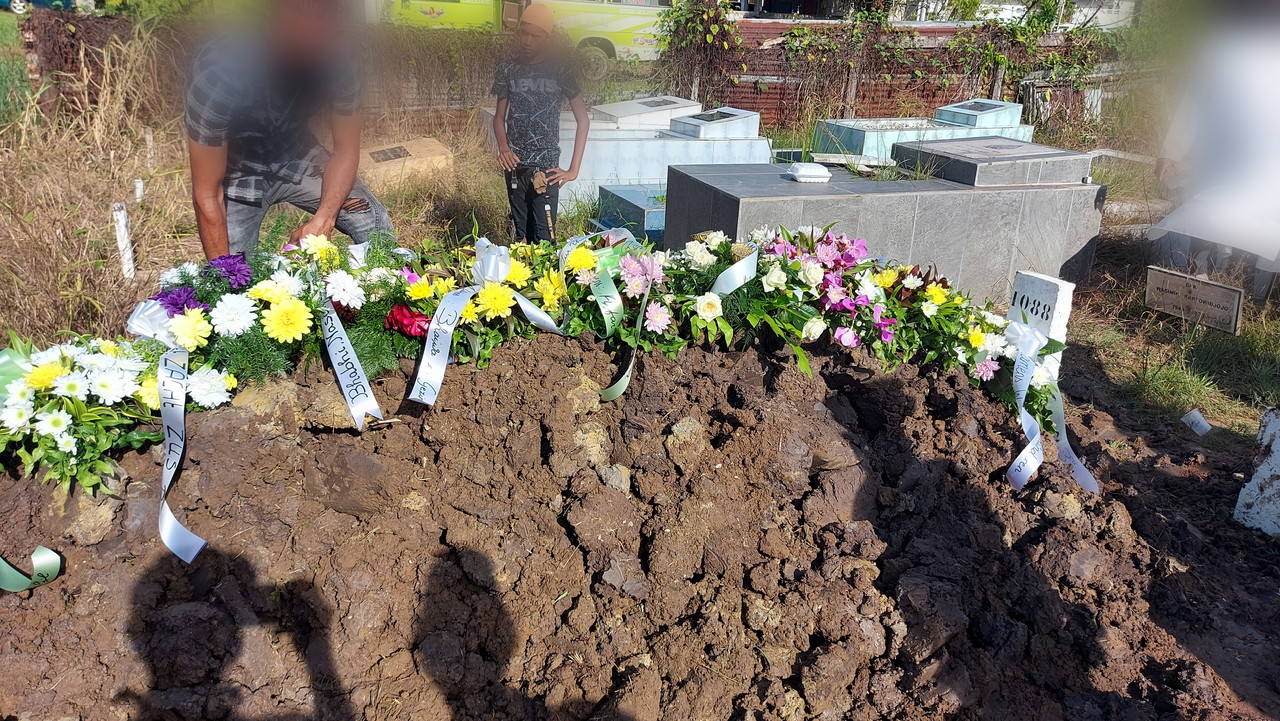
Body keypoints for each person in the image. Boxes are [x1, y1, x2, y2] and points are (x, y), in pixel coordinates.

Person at [185, 0, 393, 260]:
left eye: (318, 46)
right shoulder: (219, 71)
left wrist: (324, 219)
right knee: (236, 267)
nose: (308, 58)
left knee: (374, 225)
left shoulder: (341, 59)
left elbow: (346, 150)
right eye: (297, 45)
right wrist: (224, 273)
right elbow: (207, 193)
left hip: (296, 151)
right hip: (236, 167)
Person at [1150, 0, 1280, 296]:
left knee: (1258, 230)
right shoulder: (1223, 54)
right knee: (1205, 220)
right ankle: (1196, 287)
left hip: (1267, 165)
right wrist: (1171, 150)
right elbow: (1196, 101)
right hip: (1218, 155)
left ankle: (1248, 294)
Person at [491, 3, 590, 242]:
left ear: (547, 38)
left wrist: (573, 169)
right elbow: (499, 118)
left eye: (535, 36)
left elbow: (583, 120)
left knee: (545, 239)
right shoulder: (508, 69)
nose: (527, 41)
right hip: (515, 168)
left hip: (546, 170)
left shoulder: (559, 71)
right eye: (524, 33)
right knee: (520, 237)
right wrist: (503, 148)